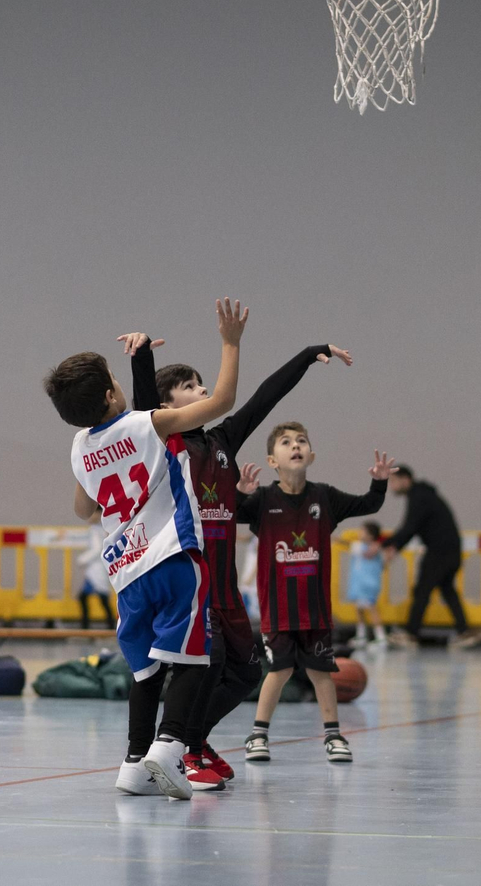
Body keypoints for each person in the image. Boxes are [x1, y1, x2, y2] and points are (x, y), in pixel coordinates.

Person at [126, 329, 351, 790]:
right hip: (192, 581)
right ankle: (181, 751)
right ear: (170, 407)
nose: (203, 391)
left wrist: (307, 355)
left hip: (226, 586)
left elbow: (264, 398)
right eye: (191, 387)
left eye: (202, 384)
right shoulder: (165, 445)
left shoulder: (223, 441)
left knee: (247, 670)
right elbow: (145, 406)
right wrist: (142, 359)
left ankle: (194, 739)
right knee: (210, 661)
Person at [45, 296, 248, 801]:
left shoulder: (78, 447)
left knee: (147, 669)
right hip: (172, 556)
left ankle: (134, 762)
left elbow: (84, 510)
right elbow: (220, 402)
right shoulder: (148, 422)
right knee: (195, 657)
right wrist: (230, 343)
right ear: (114, 393)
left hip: (126, 571)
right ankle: (169, 747)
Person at [237, 422, 396, 766]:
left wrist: (379, 481)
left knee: (322, 672)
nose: (295, 445)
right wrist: (241, 492)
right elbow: (231, 513)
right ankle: (258, 734)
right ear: (272, 460)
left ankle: (333, 735)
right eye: (285, 442)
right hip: (278, 608)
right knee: (278, 671)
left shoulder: (324, 497)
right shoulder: (262, 500)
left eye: (301, 441)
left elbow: (368, 504)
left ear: (311, 455)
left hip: (316, 609)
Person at [383, 467, 481, 649]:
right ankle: (464, 631)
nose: (391, 486)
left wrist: (388, 545)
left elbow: (409, 527)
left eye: (393, 481)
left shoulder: (419, 497)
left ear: (405, 479)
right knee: (447, 590)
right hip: (451, 551)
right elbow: (412, 528)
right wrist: (394, 546)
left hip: (440, 552)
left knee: (422, 591)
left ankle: (411, 634)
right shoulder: (424, 495)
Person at [345, 520, 389, 648]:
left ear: (370, 535)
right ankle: (361, 635)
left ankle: (381, 637)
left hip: (368, 585)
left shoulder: (375, 549)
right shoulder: (360, 547)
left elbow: (382, 561)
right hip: (358, 585)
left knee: (372, 608)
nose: (360, 533)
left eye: (362, 531)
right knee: (359, 609)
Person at [73, 521, 114, 630]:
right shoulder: (102, 528)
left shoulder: (95, 530)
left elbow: (97, 549)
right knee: (85, 597)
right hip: (95, 570)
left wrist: (82, 559)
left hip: (96, 569)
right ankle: (89, 626)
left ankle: (107, 627)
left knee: (101, 599)